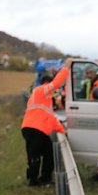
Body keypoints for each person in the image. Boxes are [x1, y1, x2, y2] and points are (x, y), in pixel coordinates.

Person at [21, 58, 71, 186]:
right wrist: (66, 68)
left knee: (48, 153)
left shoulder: (45, 99)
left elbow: (52, 119)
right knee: (35, 155)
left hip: (36, 129)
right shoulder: (40, 91)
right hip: (34, 129)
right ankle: (33, 181)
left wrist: (63, 130)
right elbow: (56, 83)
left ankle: (44, 178)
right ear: (45, 83)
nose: (53, 91)